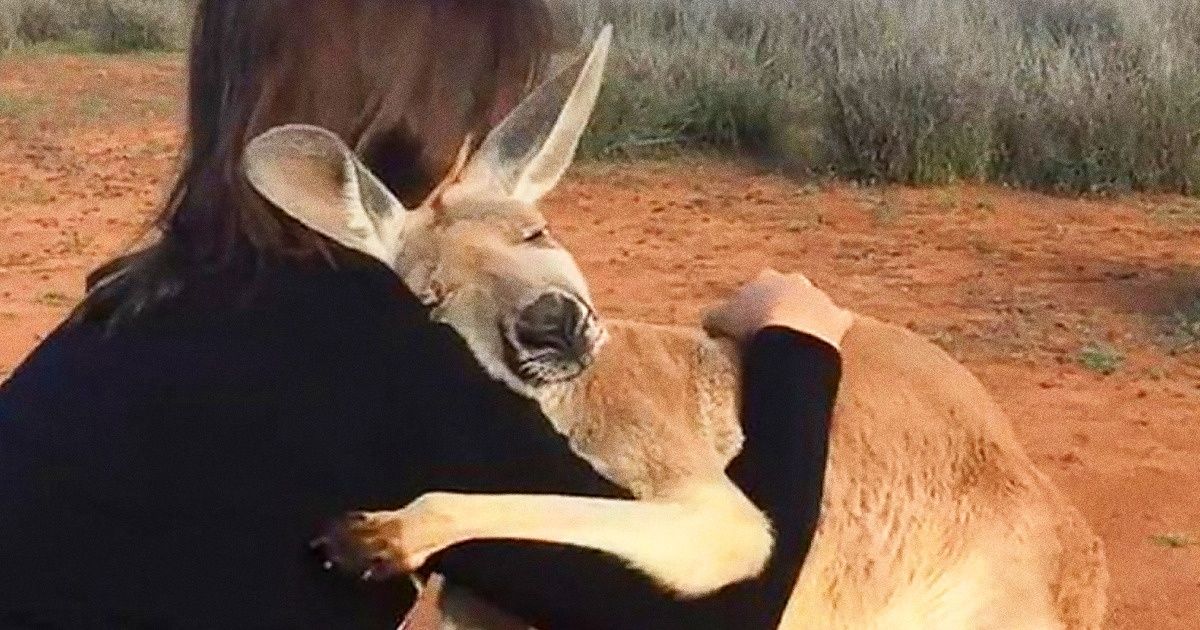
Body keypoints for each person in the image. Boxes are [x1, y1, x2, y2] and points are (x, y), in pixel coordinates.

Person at [0, 1, 851, 628]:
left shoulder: (115, 310)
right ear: (426, 117)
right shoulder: (381, 352)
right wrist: (796, 351)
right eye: (475, 112)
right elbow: (726, 608)